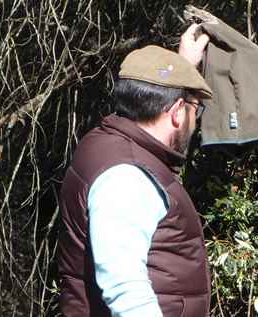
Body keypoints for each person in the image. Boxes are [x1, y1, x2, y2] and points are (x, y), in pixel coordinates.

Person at [57, 25, 213, 317]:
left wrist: (181, 69)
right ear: (178, 111)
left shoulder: (109, 142)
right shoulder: (126, 177)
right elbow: (125, 289)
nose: (197, 120)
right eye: (196, 109)